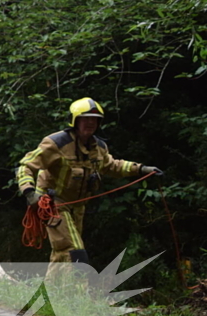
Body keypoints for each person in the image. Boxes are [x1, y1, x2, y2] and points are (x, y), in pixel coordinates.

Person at [17, 97, 163, 267]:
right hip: (53, 204)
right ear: (75, 121)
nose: (90, 123)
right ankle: (80, 292)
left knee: (62, 254)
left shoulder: (99, 147)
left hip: (78, 208)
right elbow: (25, 165)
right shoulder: (56, 143)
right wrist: (30, 193)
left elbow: (112, 166)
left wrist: (142, 169)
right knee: (74, 251)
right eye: (85, 118)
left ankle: (53, 292)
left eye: (94, 119)